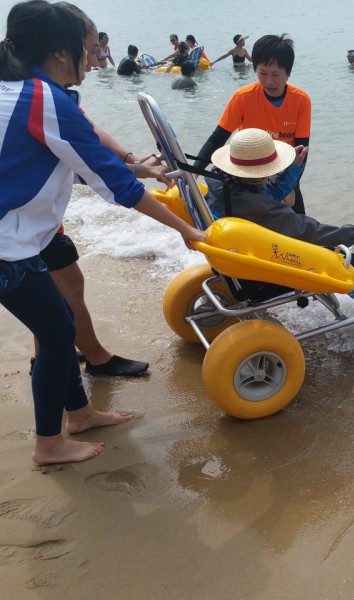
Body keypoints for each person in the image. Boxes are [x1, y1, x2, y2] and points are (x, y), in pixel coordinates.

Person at [0, 0, 205, 465]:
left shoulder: (21, 88)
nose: (97, 60)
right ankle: (48, 444)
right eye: (90, 50)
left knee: (58, 324)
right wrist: (187, 230)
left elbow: (84, 150)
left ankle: (80, 414)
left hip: (24, 232)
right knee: (55, 335)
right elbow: (116, 186)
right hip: (7, 243)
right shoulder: (43, 99)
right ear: (58, 53)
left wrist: (134, 164)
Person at [205, 128, 354, 289]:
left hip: (237, 257)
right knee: (328, 253)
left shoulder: (222, 183)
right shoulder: (252, 203)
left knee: (326, 248)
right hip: (258, 275)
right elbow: (305, 229)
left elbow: (265, 197)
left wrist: (293, 168)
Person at [195, 34, 311, 215]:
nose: (268, 81)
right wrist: (193, 172)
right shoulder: (242, 97)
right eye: (262, 73)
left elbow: (302, 151)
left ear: (288, 73)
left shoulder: (301, 100)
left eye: (276, 75)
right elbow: (217, 139)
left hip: (283, 176)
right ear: (255, 68)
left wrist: (291, 187)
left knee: (300, 225)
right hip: (249, 178)